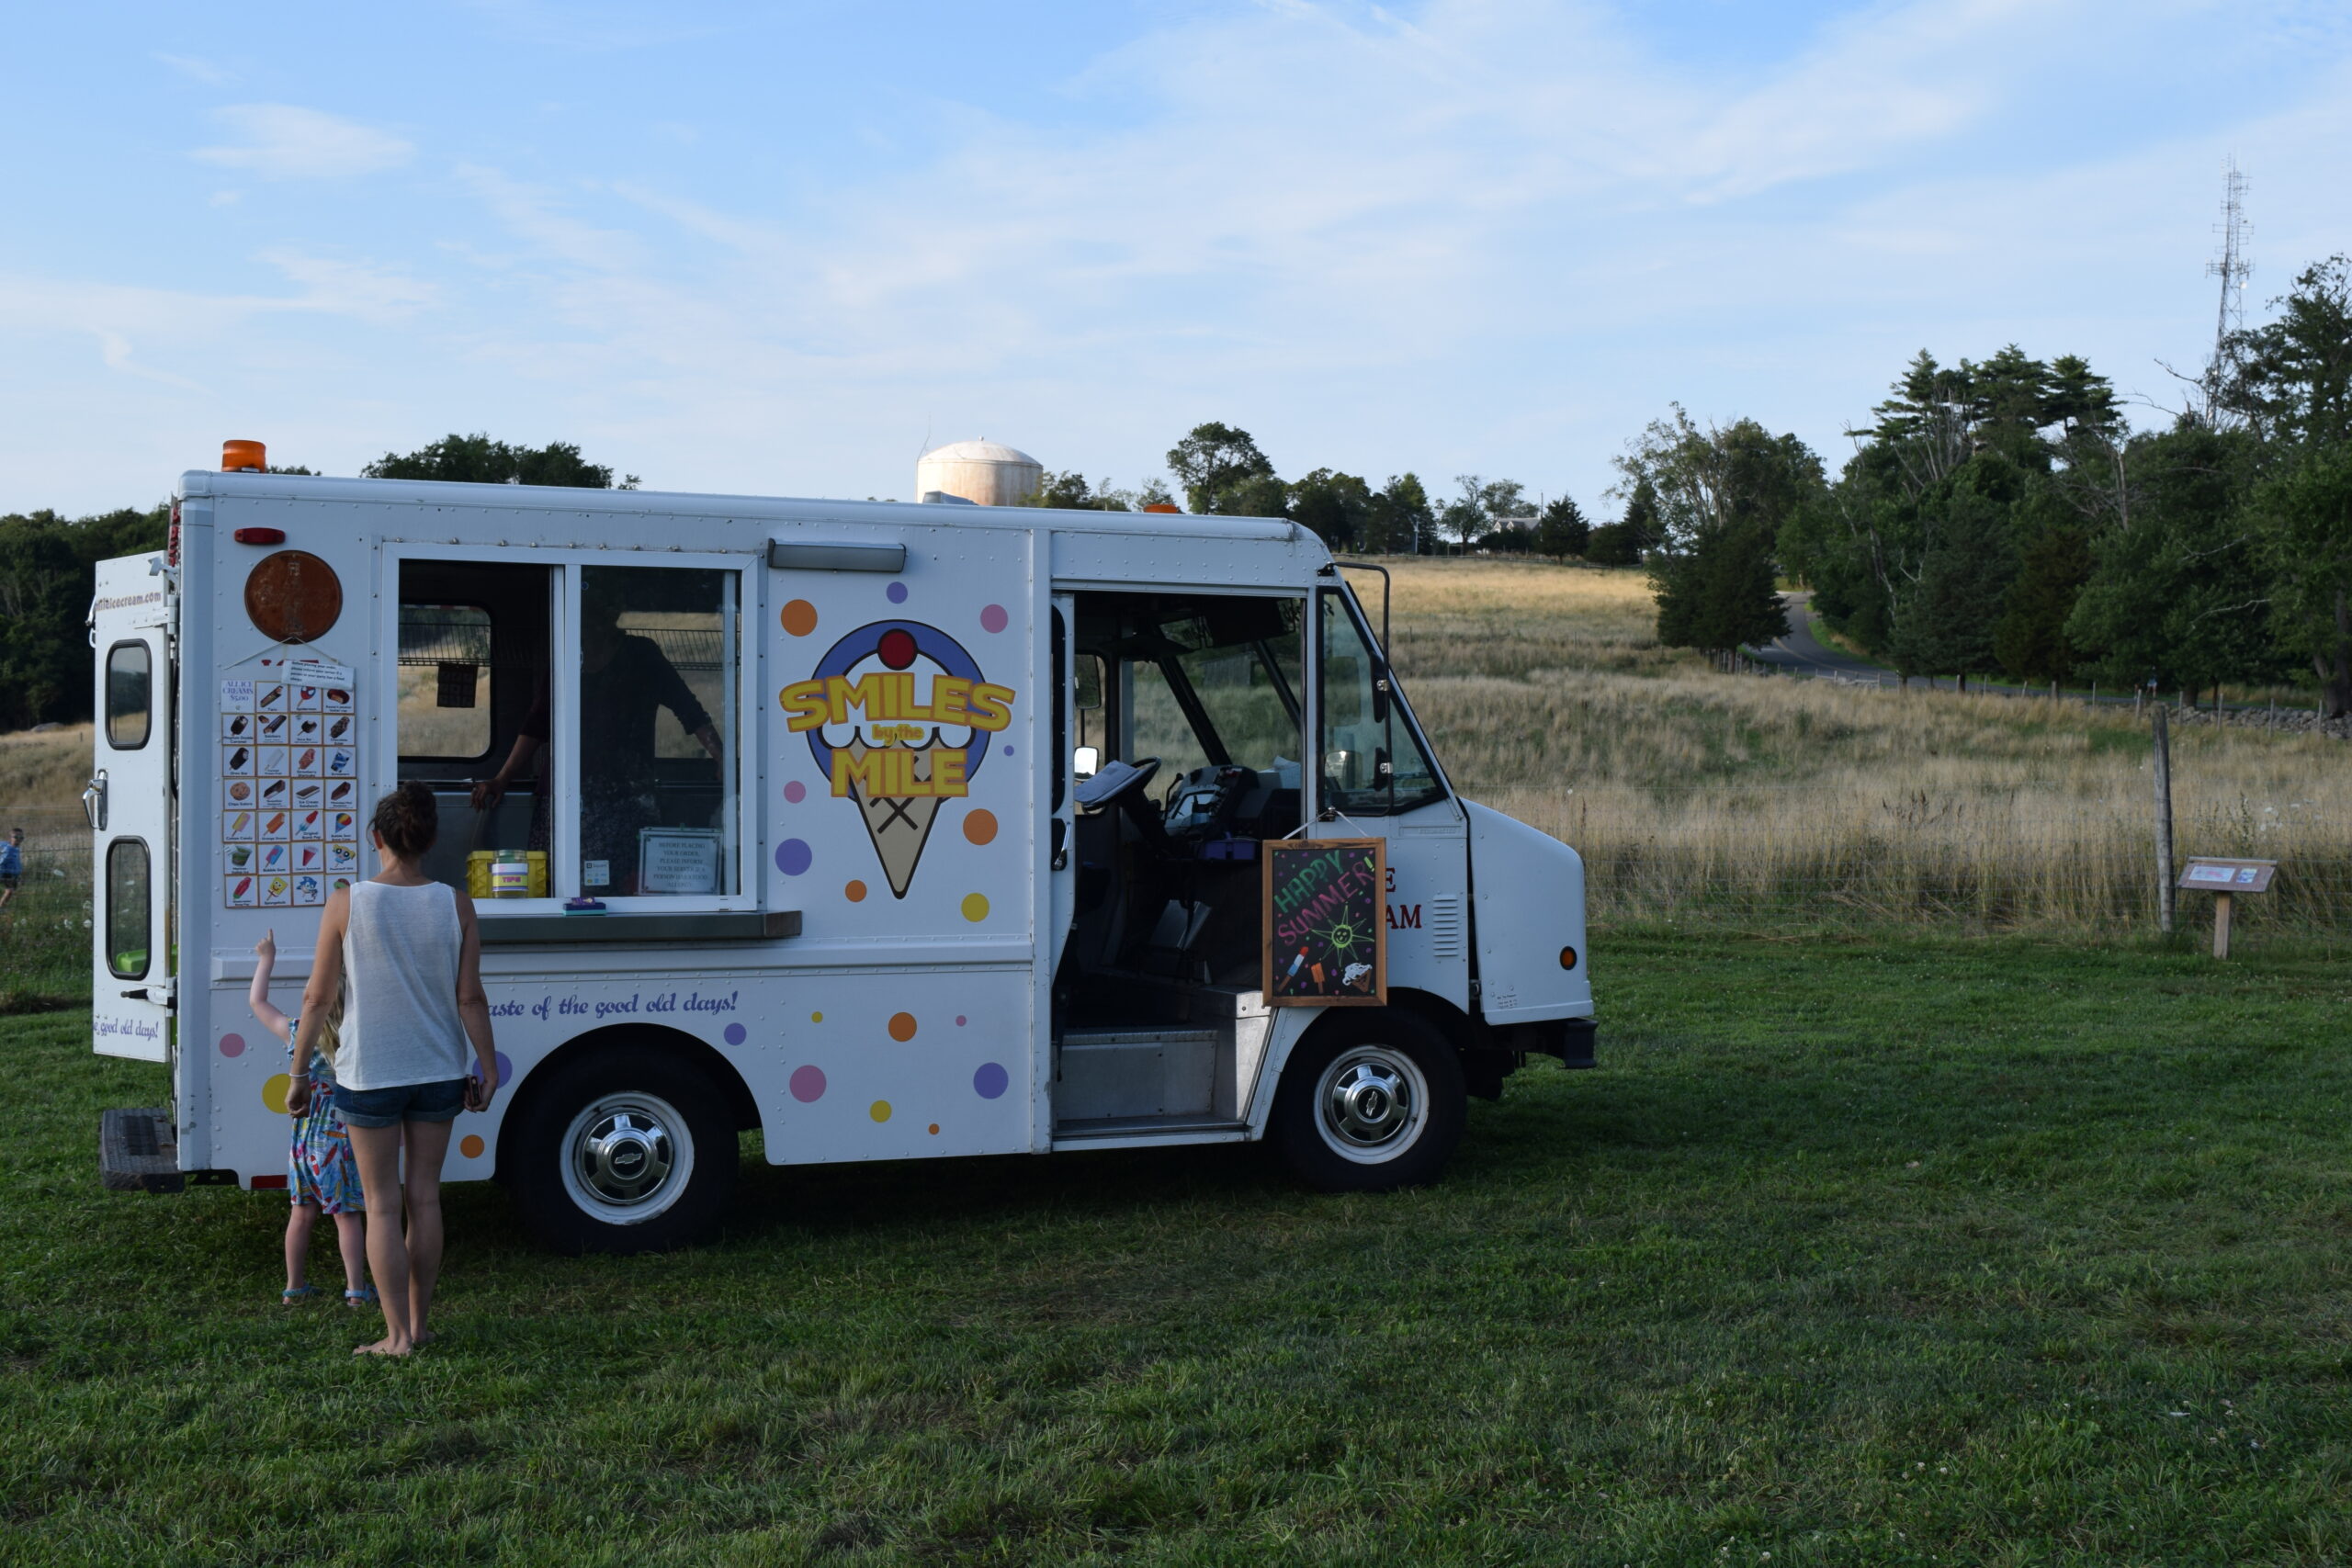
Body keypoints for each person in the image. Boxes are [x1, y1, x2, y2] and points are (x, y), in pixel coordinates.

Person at [292, 781, 498, 1356]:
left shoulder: (346, 901)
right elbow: (471, 998)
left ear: (376, 837)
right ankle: (421, 1325)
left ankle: (396, 1337)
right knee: (424, 1198)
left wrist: (299, 1074)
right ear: (428, 840)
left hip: (369, 1074)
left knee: (380, 1204)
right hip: (438, 1070)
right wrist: (487, 1065)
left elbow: (316, 998)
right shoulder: (457, 903)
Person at [470, 579, 721, 893]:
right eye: (581, 613)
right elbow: (536, 725)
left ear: (611, 615)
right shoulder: (565, 659)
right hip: (562, 798)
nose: (584, 622)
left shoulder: (641, 655)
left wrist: (722, 758)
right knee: (560, 887)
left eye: (592, 613)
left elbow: (690, 710)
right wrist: (502, 779)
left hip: (625, 796)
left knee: (620, 889)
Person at [248, 928, 373, 1308]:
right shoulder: (356, 1039)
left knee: (301, 1214)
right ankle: (355, 1291)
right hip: (340, 1144)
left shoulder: (299, 1034)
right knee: (346, 1216)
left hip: (302, 1145)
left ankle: (294, 1287)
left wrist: (267, 958)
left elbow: (258, 1002)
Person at [0, 827, 24, 911]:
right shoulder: (8, 850)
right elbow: (1, 861)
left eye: (21, 838)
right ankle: (1, 906)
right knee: (10, 890)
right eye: (16, 837)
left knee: (10, 890)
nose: (19, 840)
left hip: (13, 873)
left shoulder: (14, 847)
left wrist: (19, 872)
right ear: (10, 838)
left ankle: (2, 906)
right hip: (6, 873)